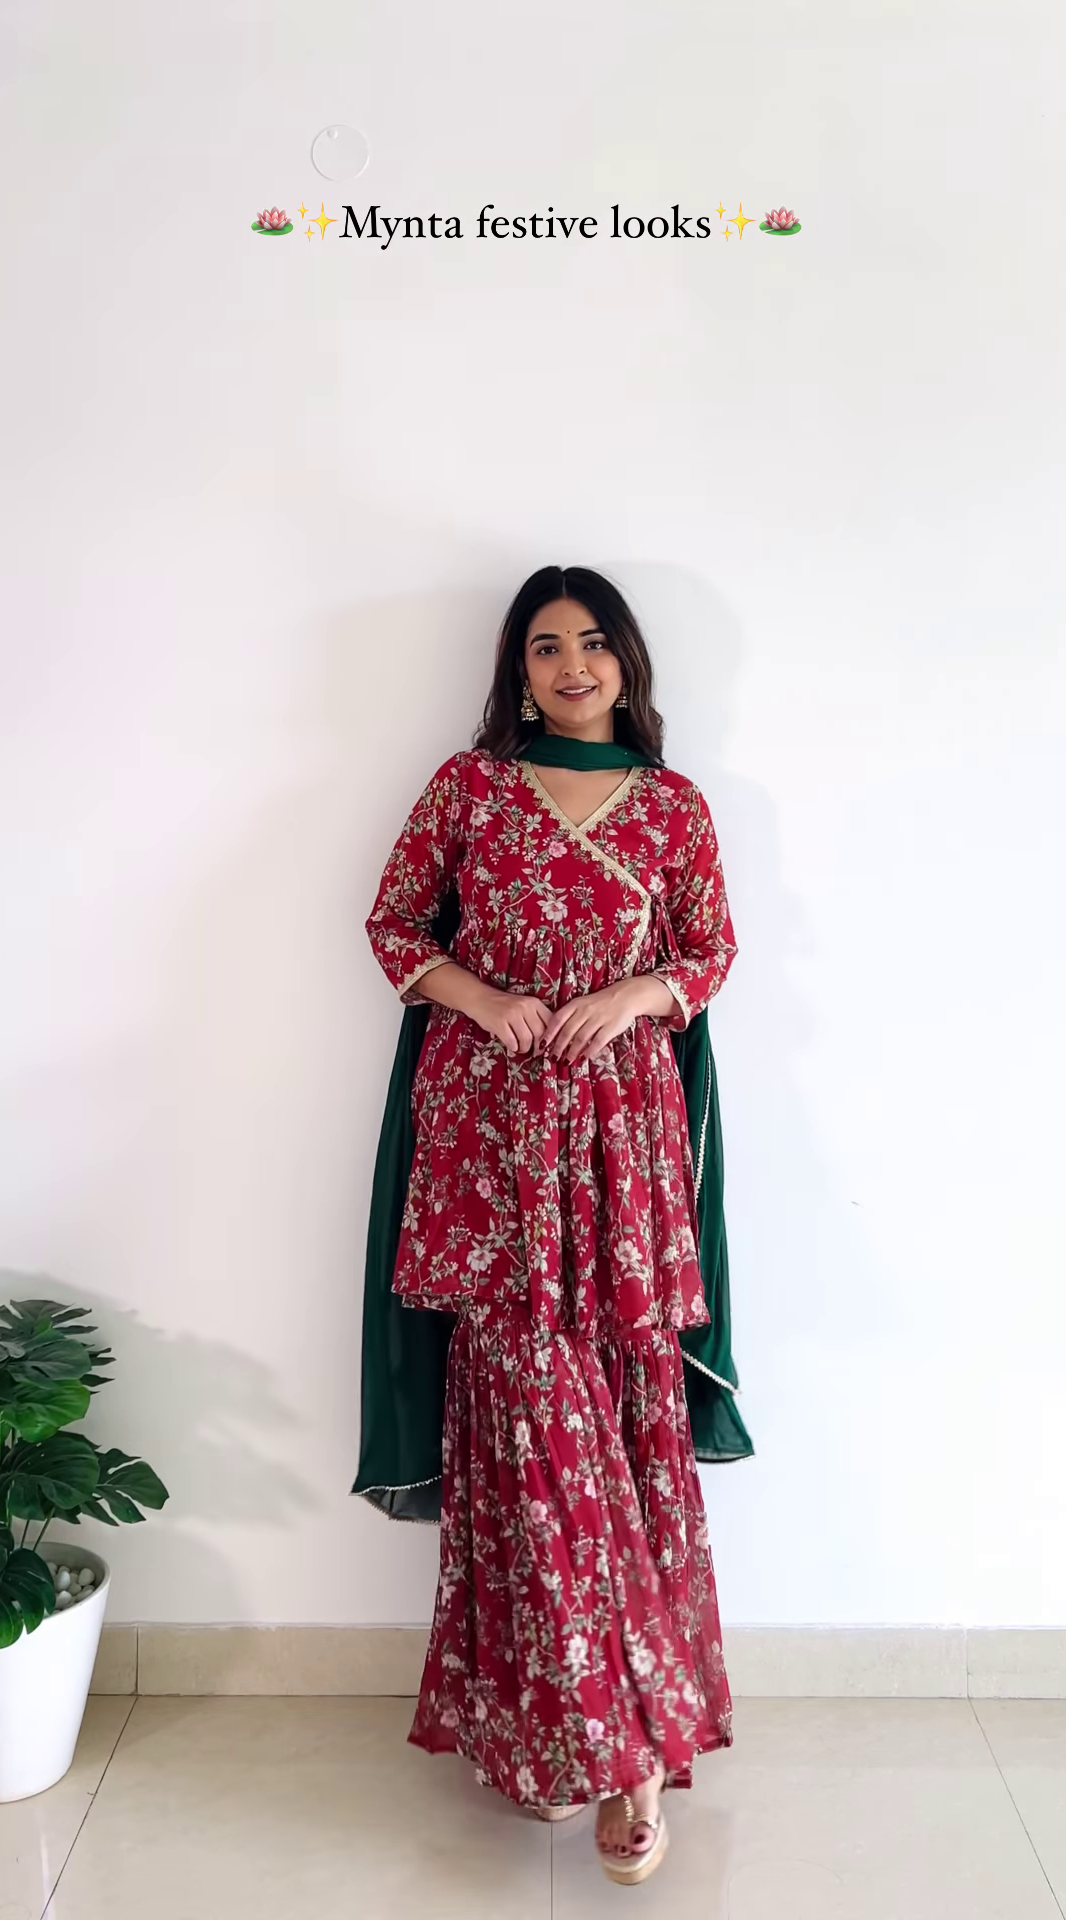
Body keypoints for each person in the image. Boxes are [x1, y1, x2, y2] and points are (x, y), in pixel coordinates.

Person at [362, 565, 739, 1886]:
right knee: (528, 1440)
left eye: (592, 642)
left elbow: (709, 952)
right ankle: (565, 1733)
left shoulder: (674, 807)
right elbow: (394, 924)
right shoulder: (469, 790)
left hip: (624, 1145)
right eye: (544, 646)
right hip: (489, 1138)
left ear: (626, 661)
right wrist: (483, 999)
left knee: (623, 1435)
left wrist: (633, 995)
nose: (572, 665)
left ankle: (628, 1753)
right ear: (517, 672)